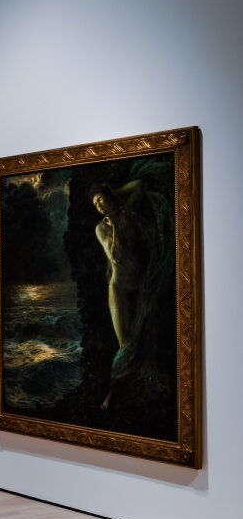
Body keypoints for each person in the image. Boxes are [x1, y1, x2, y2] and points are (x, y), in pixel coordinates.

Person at [92, 175, 173, 411]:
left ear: (108, 198)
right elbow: (114, 256)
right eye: (95, 204)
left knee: (145, 341)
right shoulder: (101, 228)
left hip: (141, 287)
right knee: (125, 345)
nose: (99, 206)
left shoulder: (127, 214)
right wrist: (115, 227)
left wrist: (114, 191)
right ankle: (112, 392)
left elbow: (139, 185)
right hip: (119, 290)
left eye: (100, 200)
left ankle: (134, 393)